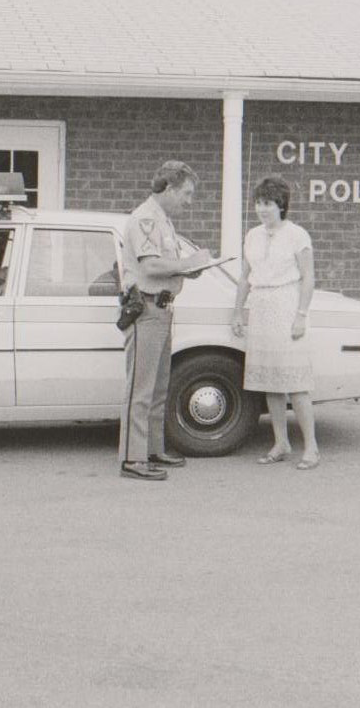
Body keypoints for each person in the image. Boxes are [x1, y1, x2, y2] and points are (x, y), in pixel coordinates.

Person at [119, 160, 214, 481]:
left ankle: (152, 449)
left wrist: (189, 268)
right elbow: (151, 267)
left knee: (159, 387)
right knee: (141, 389)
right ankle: (133, 458)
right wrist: (188, 262)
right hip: (145, 308)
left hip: (161, 307)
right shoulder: (146, 218)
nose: (189, 201)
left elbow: (167, 265)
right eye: (186, 193)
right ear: (170, 188)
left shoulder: (162, 220)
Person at [231, 176, 319, 470]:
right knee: (271, 382)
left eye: (267, 203)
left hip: (286, 306)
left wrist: (301, 316)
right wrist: (237, 312)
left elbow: (308, 277)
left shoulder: (297, 235)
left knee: (295, 383)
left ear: (281, 205)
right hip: (261, 308)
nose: (262, 209)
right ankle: (281, 442)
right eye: (258, 203)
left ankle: (312, 448)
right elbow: (245, 277)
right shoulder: (252, 236)